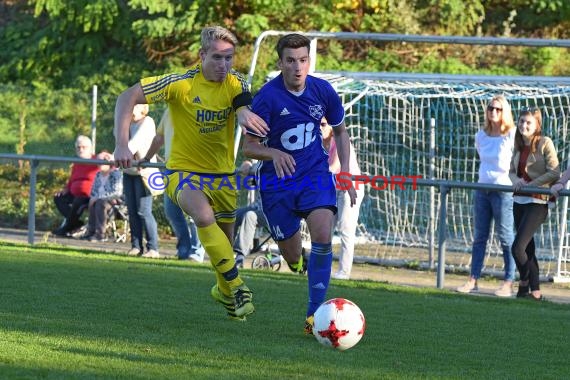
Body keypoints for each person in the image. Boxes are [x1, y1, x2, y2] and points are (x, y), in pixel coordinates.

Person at [113, 26, 268, 321]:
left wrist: (245, 113)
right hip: (183, 172)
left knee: (221, 246)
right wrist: (121, 143)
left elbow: (242, 103)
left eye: (229, 58)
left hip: (222, 176)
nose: (224, 65)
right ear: (201, 55)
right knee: (203, 216)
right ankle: (236, 285)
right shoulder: (180, 83)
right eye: (217, 58)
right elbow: (127, 97)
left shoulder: (236, 82)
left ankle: (225, 292)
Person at [242, 33, 357, 334]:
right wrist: (273, 152)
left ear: (309, 61)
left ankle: (314, 316)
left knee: (322, 234)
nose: (297, 66)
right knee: (292, 255)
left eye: (303, 60)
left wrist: (344, 170)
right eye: (290, 61)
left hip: (314, 175)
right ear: (280, 63)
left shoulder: (323, 91)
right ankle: (297, 263)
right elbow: (249, 147)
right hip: (277, 185)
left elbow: (341, 132)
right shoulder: (266, 98)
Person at [456, 95, 517, 297]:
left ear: (504, 112)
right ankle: (473, 279)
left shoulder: (511, 135)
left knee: (506, 237)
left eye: (498, 109)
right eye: (491, 108)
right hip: (483, 190)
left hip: (503, 191)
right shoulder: (480, 136)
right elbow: (484, 160)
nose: (494, 112)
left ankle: (509, 281)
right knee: (480, 237)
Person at [509, 108, 559, 300]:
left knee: (517, 248)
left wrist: (531, 184)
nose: (524, 125)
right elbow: (511, 171)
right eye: (521, 121)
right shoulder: (519, 143)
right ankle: (534, 292)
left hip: (538, 200)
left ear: (537, 125)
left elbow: (554, 171)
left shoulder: (545, 142)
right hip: (519, 199)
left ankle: (524, 281)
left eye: (528, 122)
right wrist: (516, 182)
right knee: (528, 249)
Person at [144, 108, 205, 262]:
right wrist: (146, 158)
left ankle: (197, 252)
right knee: (171, 211)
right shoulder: (169, 110)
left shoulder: (201, 108)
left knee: (195, 212)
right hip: (171, 169)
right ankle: (184, 250)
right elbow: (159, 138)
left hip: (194, 168)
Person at [320, 118, 364, 280]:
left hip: (350, 187)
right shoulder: (318, 142)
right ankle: (323, 268)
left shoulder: (338, 140)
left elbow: (333, 167)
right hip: (333, 188)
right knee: (325, 230)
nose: (320, 127)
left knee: (345, 229)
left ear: (331, 126)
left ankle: (344, 272)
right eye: (317, 123)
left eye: (323, 124)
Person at [120, 103, 160, 258]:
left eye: (134, 106)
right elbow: (119, 140)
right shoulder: (128, 123)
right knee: (132, 211)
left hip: (145, 174)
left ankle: (153, 248)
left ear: (142, 108)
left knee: (144, 211)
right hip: (129, 172)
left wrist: (119, 154)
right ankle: (136, 246)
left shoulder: (148, 122)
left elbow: (134, 143)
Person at [52, 135, 99, 236]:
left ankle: (67, 227)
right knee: (59, 198)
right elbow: (72, 179)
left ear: (90, 148)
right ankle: (76, 224)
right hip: (75, 193)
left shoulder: (97, 161)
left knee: (79, 201)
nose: (81, 150)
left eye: (84, 147)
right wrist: (66, 189)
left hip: (89, 195)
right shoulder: (77, 162)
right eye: (78, 147)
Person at [80, 151, 123, 242]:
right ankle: (91, 232)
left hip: (113, 201)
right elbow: (93, 190)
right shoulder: (98, 175)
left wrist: (98, 197)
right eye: (98, 161)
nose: (99, 163)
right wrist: (93, 198)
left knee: (100, 203)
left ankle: (100, 234)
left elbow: (117, 193)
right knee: (92, 202)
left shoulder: (116, 174)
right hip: (98, 200)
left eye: (102, 161)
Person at [233, 160, 267, 268]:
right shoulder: (264, 157)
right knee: (232, 215)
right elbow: (251, 167)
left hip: (274, 211)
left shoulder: (282, 159)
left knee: (250, 216)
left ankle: (239, 257)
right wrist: (247, 164)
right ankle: (224, 253)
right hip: (257, 207)